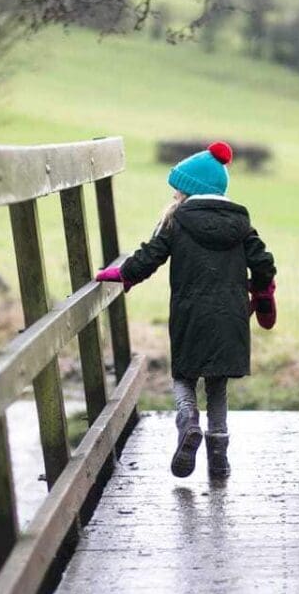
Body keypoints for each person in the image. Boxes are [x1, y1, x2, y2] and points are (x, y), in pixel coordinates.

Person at [95, 141, 277, 480]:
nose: (175, 195)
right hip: (230, 317)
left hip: (189, 314)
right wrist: (262, 290)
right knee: (218, 385)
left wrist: (122, 274)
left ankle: (188, 420)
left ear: (190, 191)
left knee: (183, 376)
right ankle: (219, 457)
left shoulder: (177, 222)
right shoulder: (242, 226)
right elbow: (264, 263)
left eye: (178, 190)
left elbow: (149, 258)